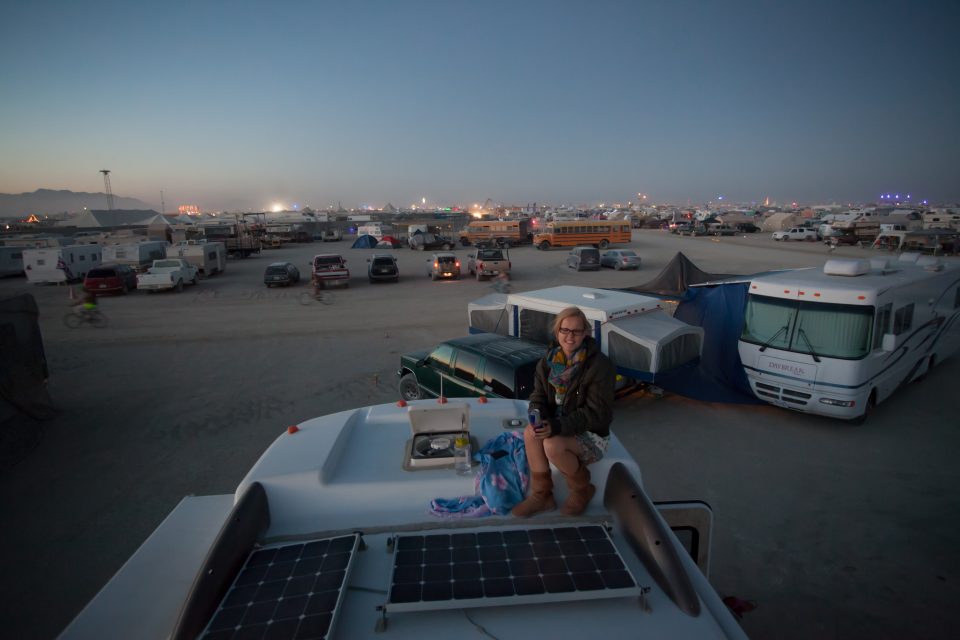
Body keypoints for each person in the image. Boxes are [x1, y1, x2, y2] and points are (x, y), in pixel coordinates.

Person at [512, 306, 615, 517]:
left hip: (591, 433)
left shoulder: (599, 366)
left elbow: (597, 413)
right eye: (565, 330)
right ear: (557, 331)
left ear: (585, 333)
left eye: (576, 331)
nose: (570, 336)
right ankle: (542, 496)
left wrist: (556, 427)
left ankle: (582, 490)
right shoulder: (548, 362)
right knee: (531, 433)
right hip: (558, 425)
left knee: (551, 444)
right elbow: (538, 397)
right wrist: (537, 416)